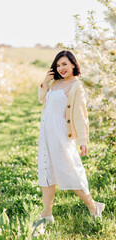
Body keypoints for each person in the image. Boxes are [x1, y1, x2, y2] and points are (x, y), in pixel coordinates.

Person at [37, 50, 105, 224]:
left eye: (64, 64)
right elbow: (41, 98)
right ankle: (46, 214)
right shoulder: (54, 83)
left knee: (70, 172)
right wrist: (45, 82)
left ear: (73, 64)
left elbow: (80, 116)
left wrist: (82, 141)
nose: (61, 68)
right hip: (45, 133)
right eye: (58, 65)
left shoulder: (76, 86)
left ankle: (93, 206)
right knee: (46, 171)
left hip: (61, 135)